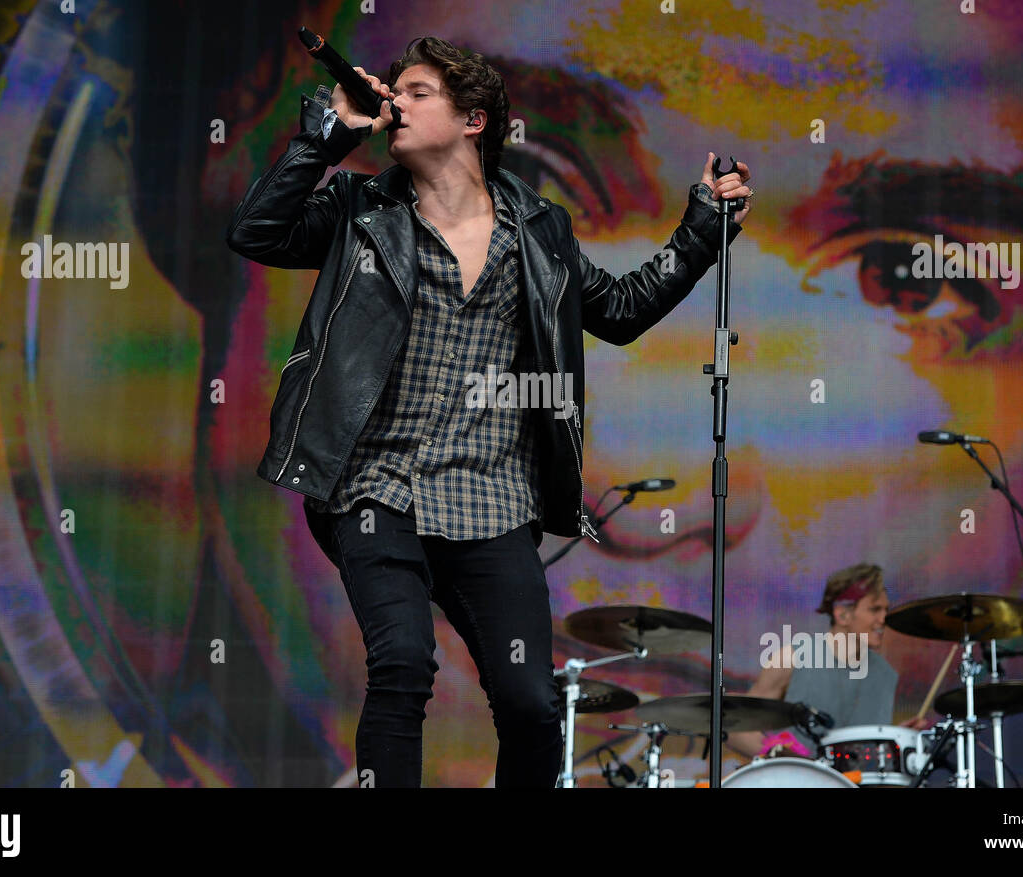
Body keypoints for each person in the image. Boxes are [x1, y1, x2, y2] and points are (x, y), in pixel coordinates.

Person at [225, 36, 752, 787]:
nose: (393, 102)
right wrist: (329, 134)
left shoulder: (540, 233)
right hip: (378, 485)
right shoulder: (359, 210)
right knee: (402, 662)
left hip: (491, 496)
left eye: (415, 92)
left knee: (531, 701)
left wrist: (704, 227)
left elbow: (625, 310)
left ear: (474, 119)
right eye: (394, 90)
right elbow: (256, 230)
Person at [730, 563, 924, 759]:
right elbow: (738, 730)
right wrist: (784, 758)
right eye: (874, 610)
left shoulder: (886, 675)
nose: (884, 619)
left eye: (885, 609)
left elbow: (865, 754)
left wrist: (895, 737)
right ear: (842, 614)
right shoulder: (792, 658)